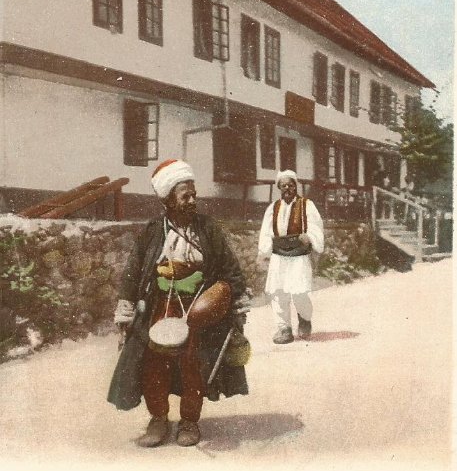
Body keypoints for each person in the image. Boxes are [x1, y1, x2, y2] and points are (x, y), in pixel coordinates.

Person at [107, 159, 250, 447]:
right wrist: (126, 305)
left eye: (194, 195)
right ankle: (158, 419)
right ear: (168, 200)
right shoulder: (153, 230)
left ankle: (189, 421)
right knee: (153, 362)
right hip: (160, 306)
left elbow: (229, 268)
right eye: (185, 196)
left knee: (192, 363)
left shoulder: (207, 228)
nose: (192, 201)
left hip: (198, 308)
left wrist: (236, 300)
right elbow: (133, 270)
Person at [257, 170, 324, 344]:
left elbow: (316, 226)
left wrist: (309, 236)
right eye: (283, 185)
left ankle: (304, 319)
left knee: (299, 292)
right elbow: (266, 231)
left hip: (298, 255)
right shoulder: (273, 208)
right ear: (279, 187)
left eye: (290, 185)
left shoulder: (306, 205)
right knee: (278, 293)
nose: (287, 188)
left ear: (296, 186)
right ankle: (284, 328)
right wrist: (264, 252)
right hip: (279, 256)